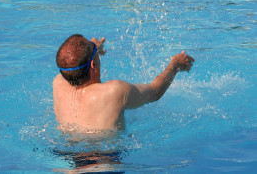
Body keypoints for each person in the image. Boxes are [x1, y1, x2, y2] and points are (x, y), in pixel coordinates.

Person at [53, 34, 194, 133]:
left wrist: (93, 49)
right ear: (93, 65)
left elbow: (72, 63)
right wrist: (175, 65)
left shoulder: (58, 83)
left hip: (67, 161)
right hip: (103, 165)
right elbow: (155, 92)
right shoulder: (114, 92)